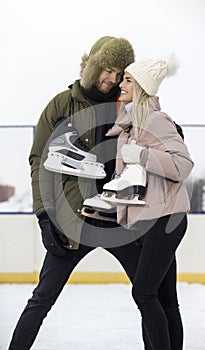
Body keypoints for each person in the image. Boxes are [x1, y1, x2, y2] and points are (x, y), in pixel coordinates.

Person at [7, 35, 183, 350]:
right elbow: (39, 162)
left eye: (120, 75)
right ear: (94, 66)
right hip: (74, 222)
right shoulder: (62, 104)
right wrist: (44, 216)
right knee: (41, 299)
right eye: (109, 71)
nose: (113, 80)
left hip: (122, 221)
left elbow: (153, 134)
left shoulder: (127, 104)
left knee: (148, 297)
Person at [103, 57, 194, 349]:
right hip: (144, 219)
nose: (121, 84)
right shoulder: (130, 125)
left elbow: (182, 165)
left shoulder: (156, 121)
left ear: (142, 86)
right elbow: (129, 177)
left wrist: (141, 155)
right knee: (165, 300)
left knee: (144, 294)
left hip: (165, 219)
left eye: (128, 80)